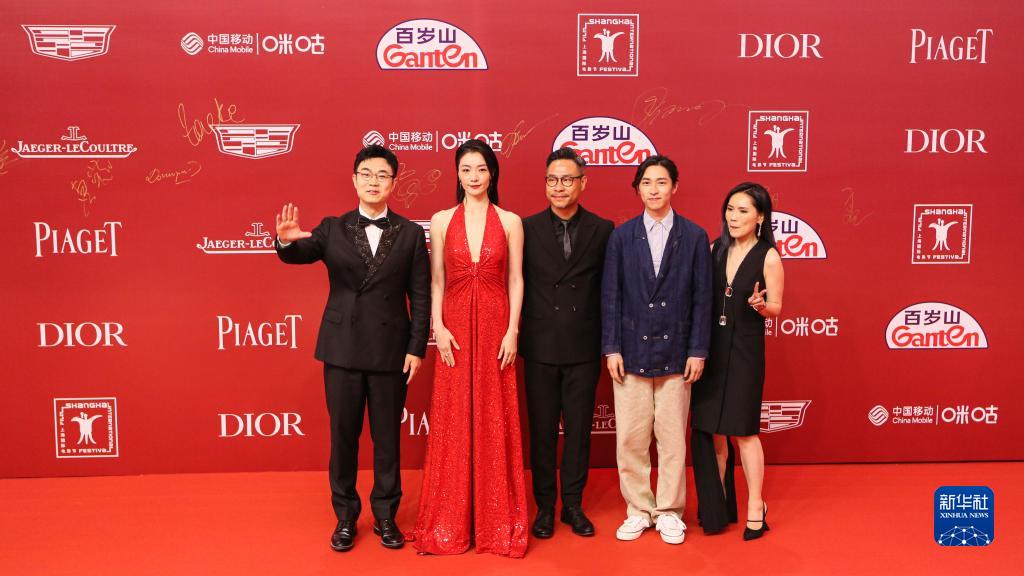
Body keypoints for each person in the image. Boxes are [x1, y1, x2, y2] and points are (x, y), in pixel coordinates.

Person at [273, 145, 431, 552]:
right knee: (343, 437)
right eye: (366, 174)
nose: (373, 181)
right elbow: (301, 252)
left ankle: (385, 516)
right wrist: (286, 243)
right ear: (355, 180)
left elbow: (421, 295)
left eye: (382, 175)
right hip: (342, 350)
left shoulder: (411, 234)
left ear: (394, 183)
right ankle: (345, 517)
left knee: (387, 439)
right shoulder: (333, 228)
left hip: (390, 351)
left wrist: (416, 347)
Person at [413, 139, 529, 557]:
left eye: (481, 169)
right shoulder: (441, 220)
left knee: (495, 413)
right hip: (456, 327)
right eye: (466, 169)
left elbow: (516, 279)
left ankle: (497, 521)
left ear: (492, 173)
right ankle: (451, 519)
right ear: (457, 174)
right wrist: (438, 327)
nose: (474, 177)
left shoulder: (511, 221)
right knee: (455, 413)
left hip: (497, 325)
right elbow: (436, 280)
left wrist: (512, 330)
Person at [601, 155, 712, 545]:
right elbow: (610, 296)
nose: (653, 190)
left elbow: (703, 298)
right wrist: (611, 348)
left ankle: (668, 511)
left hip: (678, 354)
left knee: (671, 438)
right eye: (646, 183)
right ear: (637, 189)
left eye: (661, 182)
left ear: (674, 187)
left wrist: (697, 350)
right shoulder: (622, 237)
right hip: (630, 353)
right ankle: (638, 509)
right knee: (631, 438)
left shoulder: (694, 236)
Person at [520, 148, 614, 539]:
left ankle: (572, 504)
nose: (559, 187)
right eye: (552, 180)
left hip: (583, 345)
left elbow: (610, 290)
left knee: (578, 431)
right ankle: (545, 506)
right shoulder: (525, 228)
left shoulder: (603, 229)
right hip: (539, 345)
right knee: (542, 431)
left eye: (567, 180)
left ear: (582, 183)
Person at [691, 182, 785, 540]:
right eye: (730, 209)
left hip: (746, 353)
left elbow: (776, 306)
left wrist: (762, 306)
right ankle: (718, 505)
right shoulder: (715, 249)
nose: (734, 216)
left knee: (744, 432)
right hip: (712, 351)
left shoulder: (768, 256)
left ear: (760, 217)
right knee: (714, 431)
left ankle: (756, 506)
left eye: (743, 210)